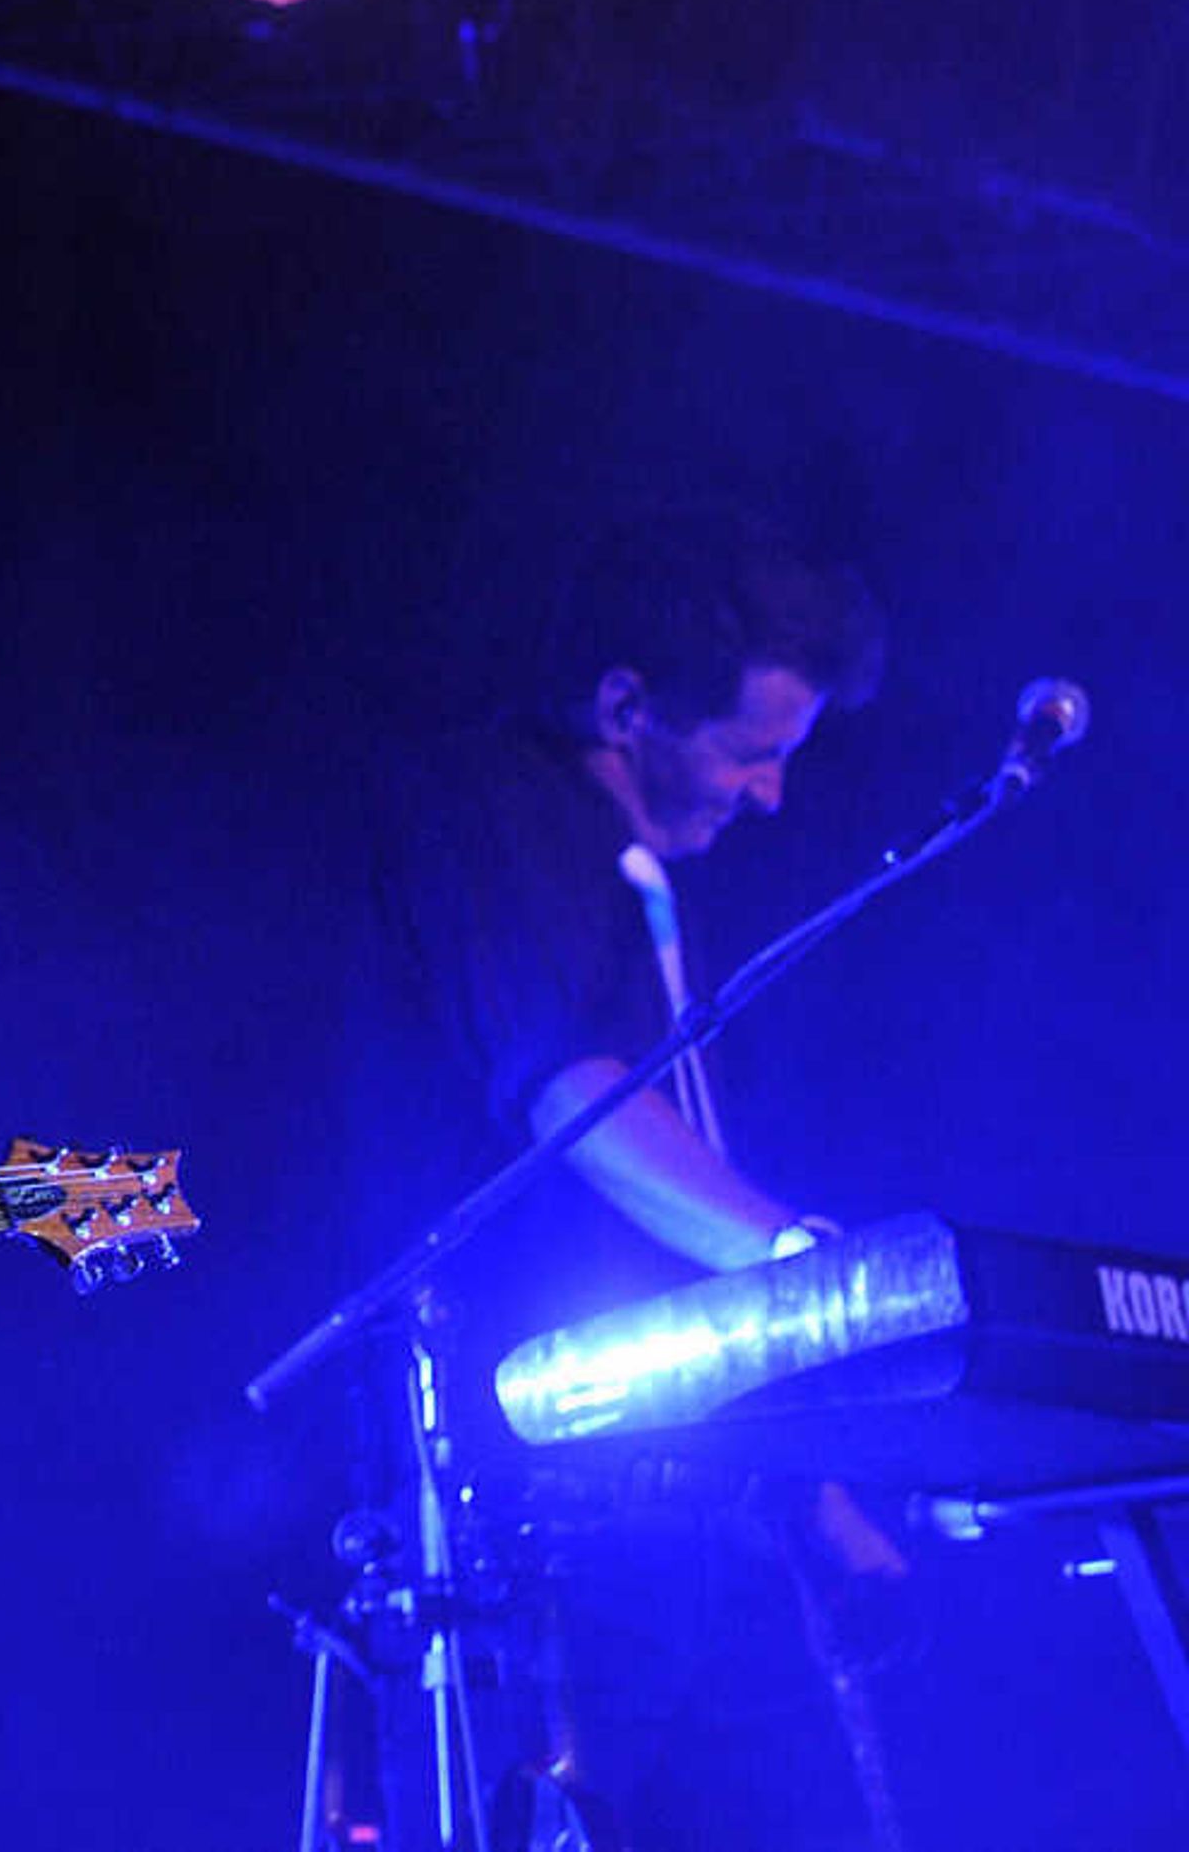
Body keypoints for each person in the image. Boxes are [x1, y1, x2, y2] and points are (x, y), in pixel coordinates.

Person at [363, 509, 905, 1850]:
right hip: (548, 1543)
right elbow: (573, 1102)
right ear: (625, 703)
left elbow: (667, 1248)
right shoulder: (496, 811)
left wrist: (817, 1499)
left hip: (709, 1516)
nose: (771, 791)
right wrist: (801, 1264)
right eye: (751, 750)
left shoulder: (652, 884)